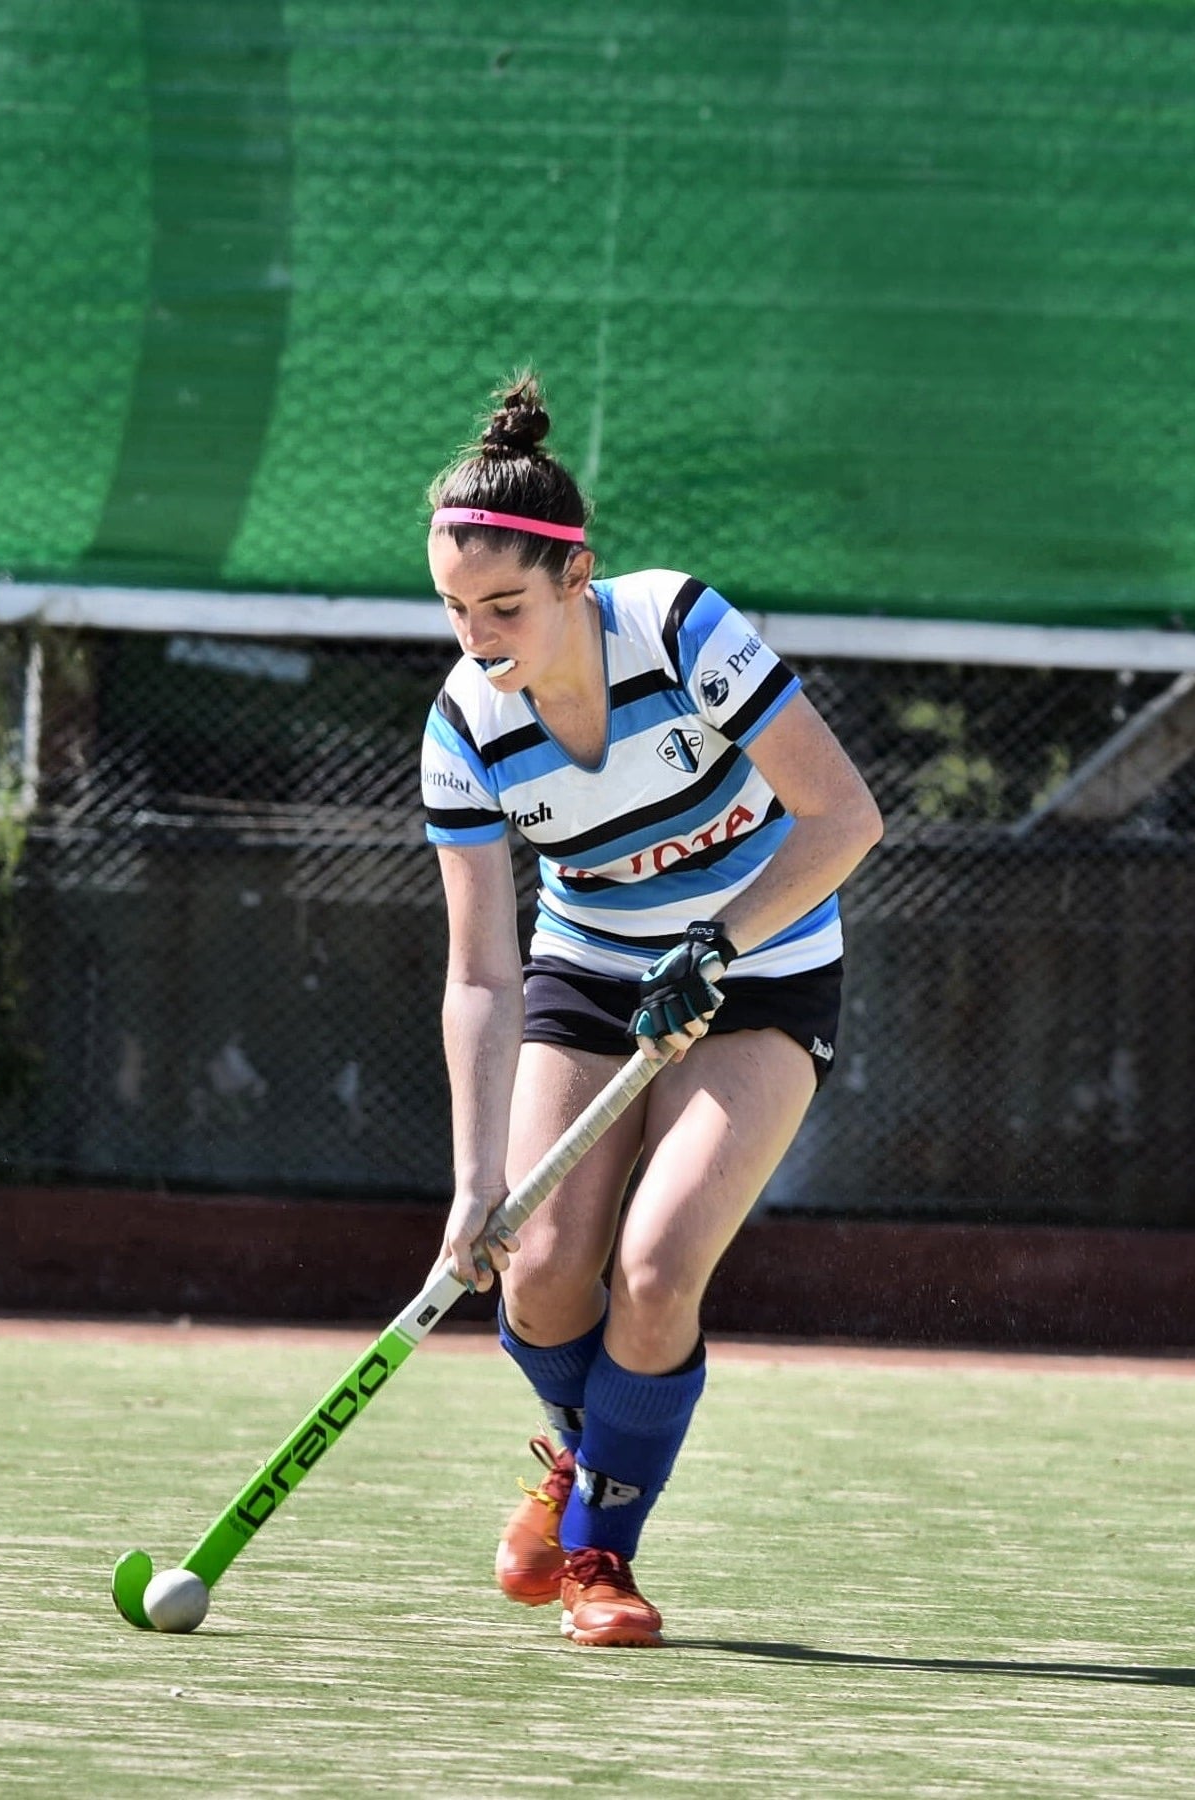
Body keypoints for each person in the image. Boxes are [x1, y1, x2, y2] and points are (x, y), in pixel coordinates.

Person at [419, 372, 883, 1647]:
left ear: (576, 579)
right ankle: (583, 1454)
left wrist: (719, 940)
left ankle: (599, 1554)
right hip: (585, 966)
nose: (479, 638)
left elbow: (844, 818)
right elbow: (480, 972)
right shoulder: (463, 728)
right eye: (456, 609)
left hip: (767, 957)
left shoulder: (679, 629)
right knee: (545, 1280)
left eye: (504, 604)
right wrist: (470, 1182)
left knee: (656, 1263)